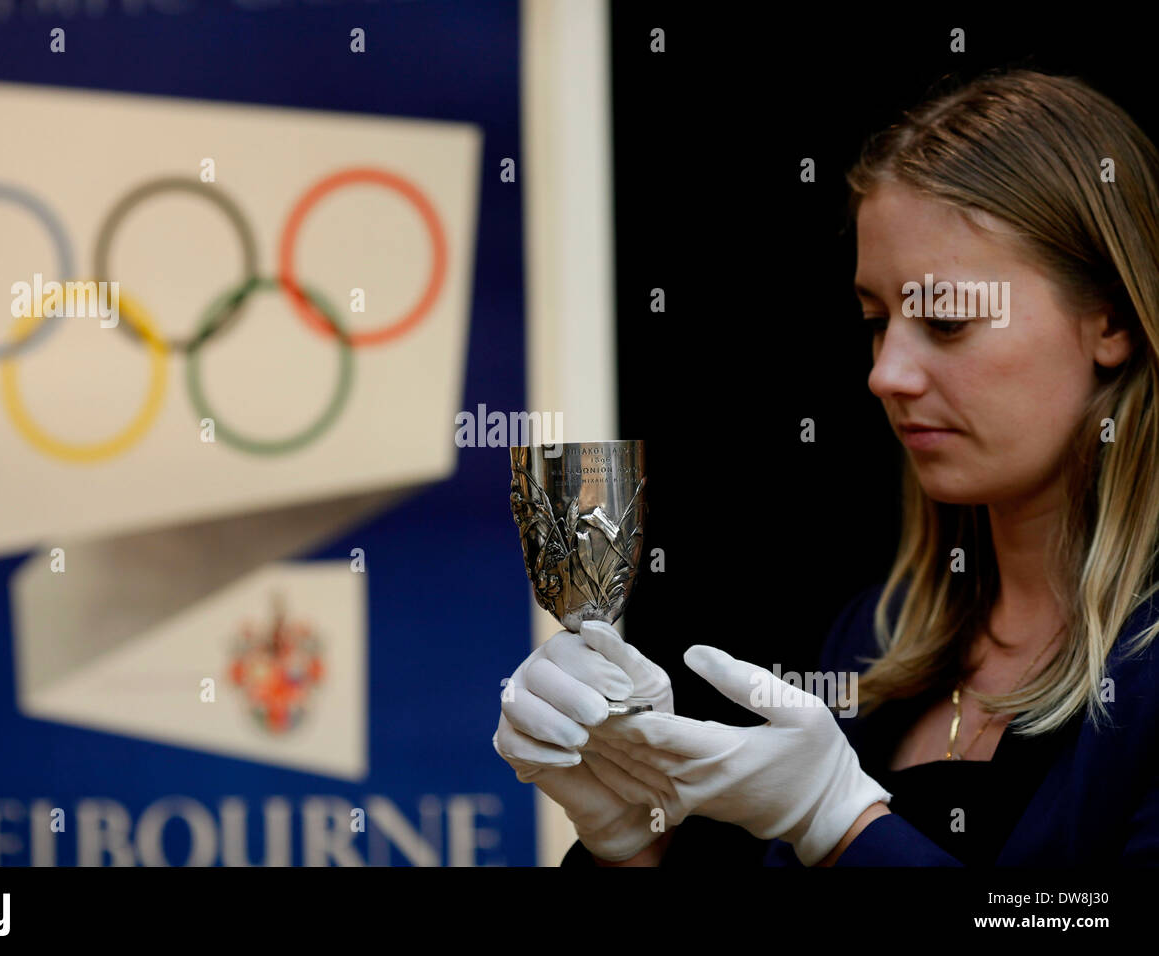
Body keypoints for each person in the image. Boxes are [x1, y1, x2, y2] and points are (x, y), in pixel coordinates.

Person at [493, 67, 1159, 866]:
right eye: (877, 321)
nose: (887, 374)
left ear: (1111, 319)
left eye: (946, 320)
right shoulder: (876, 639)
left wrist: (840, 821)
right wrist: (632, 841)